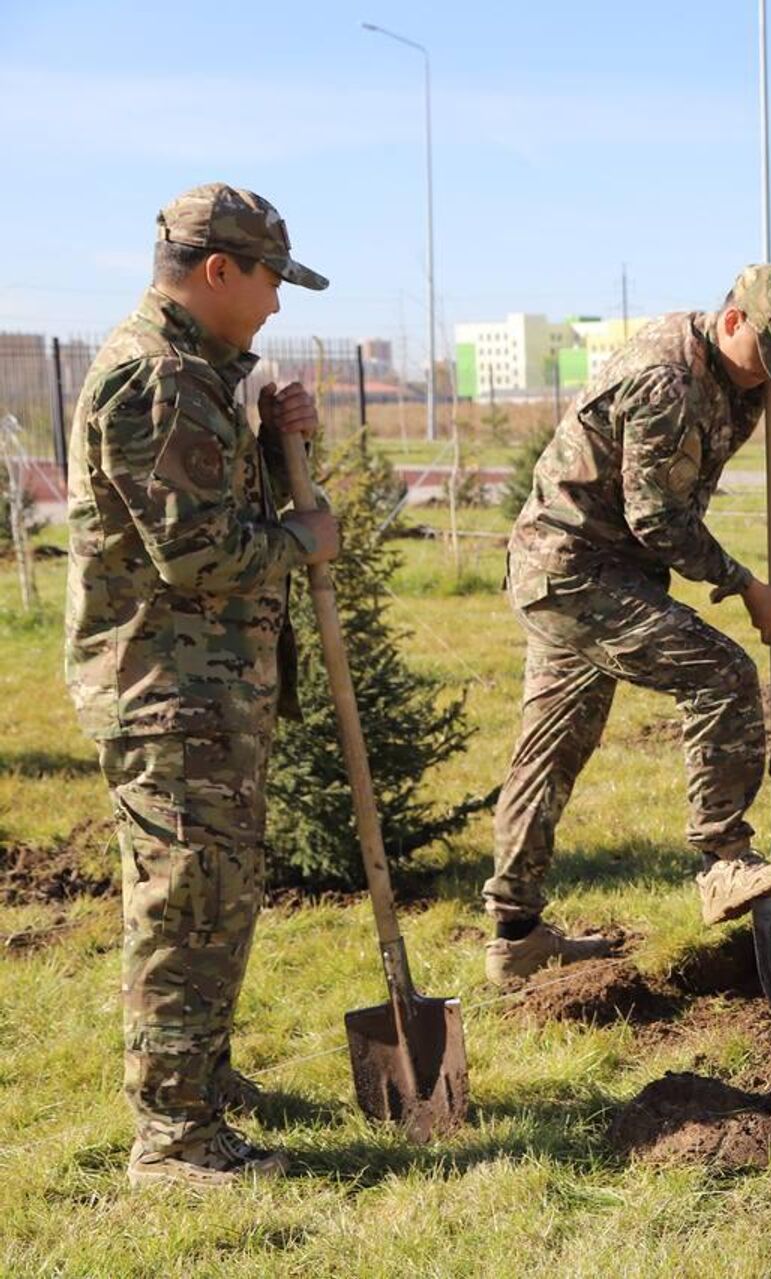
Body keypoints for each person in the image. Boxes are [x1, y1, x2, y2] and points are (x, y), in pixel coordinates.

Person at [66, 182, 339, 1186]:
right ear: (218, 270)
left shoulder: (200, 374)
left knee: (217, 892)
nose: (276, 304)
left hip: (208, 686)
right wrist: (301, 537)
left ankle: (199, 1076)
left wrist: (275, 444)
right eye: (270, 281)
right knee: (187, 901)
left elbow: (206, 501)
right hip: (167, 689)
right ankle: (173, 1138)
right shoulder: (156, 378)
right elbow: (195, 553)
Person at [484, 264, 771, 986]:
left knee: (552, 747)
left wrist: (760, 389)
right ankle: (722, 859)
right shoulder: (667, 377)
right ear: (733, 321)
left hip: (587, 567)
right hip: (574, 567)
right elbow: (656, 517)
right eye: (768, 358)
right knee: (722, 674)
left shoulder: (736, 377)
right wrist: (744, 585)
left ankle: (514, 934)